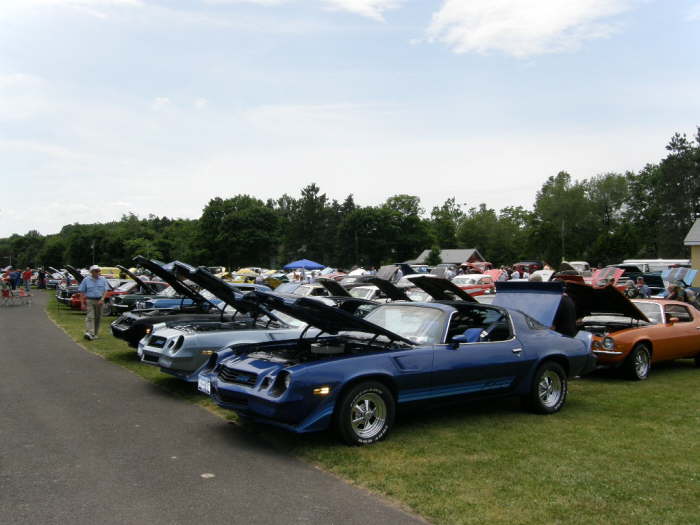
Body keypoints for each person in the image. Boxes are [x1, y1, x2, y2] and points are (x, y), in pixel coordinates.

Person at [78, 265, 112, 340]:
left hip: (100, 300)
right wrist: (82, 303)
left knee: (98, 318)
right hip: (90, 300)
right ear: (91, 272)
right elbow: (82, 292)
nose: (98, 272)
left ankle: (95, 334)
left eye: (98, 271)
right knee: (90, 316)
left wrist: (102, 299)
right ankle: (90, 333)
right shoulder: (86, 280)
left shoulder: (103, 279)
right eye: (96, 271)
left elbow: (106, 290)